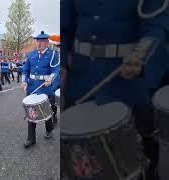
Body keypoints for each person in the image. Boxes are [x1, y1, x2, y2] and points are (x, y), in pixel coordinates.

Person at [62, 0, 169, 179]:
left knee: (135, 162)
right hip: (80, 83)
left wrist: (141, 60)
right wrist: (62, 64)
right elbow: (64, 27)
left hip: (126, 84)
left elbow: (156, 28)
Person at [21, 31, 60, 148]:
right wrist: (24, 81)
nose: (39, 43)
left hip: (46, 87)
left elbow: (56, 70)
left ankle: (49, 129)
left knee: (47, 112)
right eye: (38, 41)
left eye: (42, 41)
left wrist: (51, 79)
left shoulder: (53, 54)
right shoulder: (31, 55)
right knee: (31, 112)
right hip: (32, 86)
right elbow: (25, 70)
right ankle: (31, 138)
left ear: (47, 42)